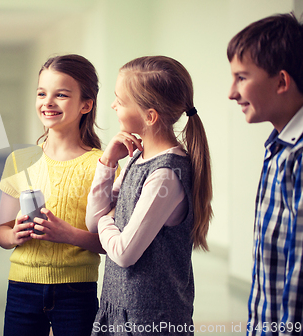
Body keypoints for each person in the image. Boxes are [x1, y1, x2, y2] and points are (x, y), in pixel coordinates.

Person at [86, 56, 213, 335]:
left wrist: (109, 217)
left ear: (150, 116)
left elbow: (123, 252)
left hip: (149, 319)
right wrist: (107, 162)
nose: (113, 105)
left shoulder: (165, 175)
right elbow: (92, 221)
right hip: (120, 308)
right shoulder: (138, 159)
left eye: (120, 100)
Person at [0, 54, 106, 336]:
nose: (48, 102)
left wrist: (68, 234)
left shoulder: (103, 165)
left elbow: (112, 244)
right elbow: (1, 233)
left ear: (86, 104)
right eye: (42, 93)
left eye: (61, 95)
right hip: (21, 288)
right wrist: (14, 235)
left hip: (77, 291)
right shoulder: (18, 159)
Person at [227, 13, 303, 335]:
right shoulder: (278, 147)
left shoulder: (298, 156)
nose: (231, 93)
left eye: (241, 78)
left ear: (282, 82)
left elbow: (299, 273)